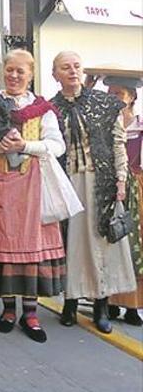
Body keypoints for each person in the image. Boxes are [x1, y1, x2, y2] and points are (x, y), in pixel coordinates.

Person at [0, 49, 67, 343]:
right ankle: (8, 310)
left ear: (30, 75)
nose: (14, 76)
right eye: (10, 70)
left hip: (31, 186)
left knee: (31, 249)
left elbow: (57, 146)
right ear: (2, 71)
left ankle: (31, 313)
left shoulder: (42, 109)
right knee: (2, 246)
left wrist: (25, 145)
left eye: (20, 71)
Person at [51, 51, 136, 334]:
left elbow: (118, 145)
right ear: (55, 75)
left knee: (102, 245)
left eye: (76, 66)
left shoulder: (105, 103)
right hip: (66, 181)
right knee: (70, 243)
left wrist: (121, 182)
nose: (72, 71)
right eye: (65, 67)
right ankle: (70, 302)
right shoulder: (50, 109)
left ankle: (101, 305)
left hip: (101, 180)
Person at [103, 72, 143, 326]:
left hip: (137, 188)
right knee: (111, 243)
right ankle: (110, 303)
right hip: (110, 186)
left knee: (135, 245)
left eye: (119, 93)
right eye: (111, 93)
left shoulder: (140, 126)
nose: (115, 98)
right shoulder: (103, 124)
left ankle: (133, 305)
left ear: (132, 97)